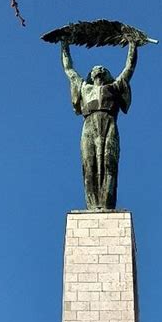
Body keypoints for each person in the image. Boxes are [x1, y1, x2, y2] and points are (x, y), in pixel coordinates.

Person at [61, 41, 137, 210]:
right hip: (89, 125)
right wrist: (64, 45)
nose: (100, 68)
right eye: (96, 67)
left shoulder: (114, 87)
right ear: (91, 74)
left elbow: (129, 68)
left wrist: (132, 45)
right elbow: (69, 70)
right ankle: (93, 205)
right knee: (90, 165)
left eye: (104, 68)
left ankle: (107, 204)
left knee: (109, 164)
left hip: (109, 124)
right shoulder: (83, 87)